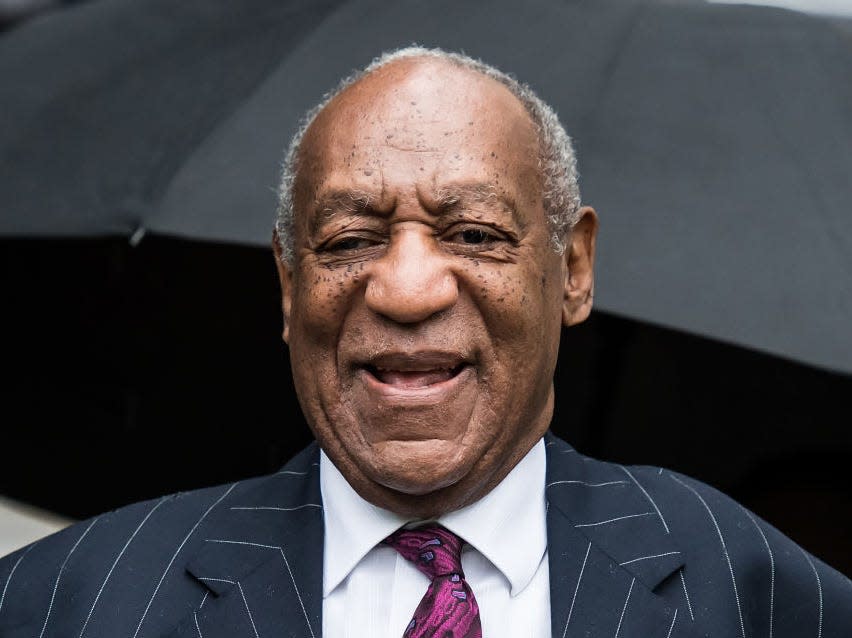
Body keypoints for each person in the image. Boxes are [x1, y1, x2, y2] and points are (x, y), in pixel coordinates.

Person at [1, 46, 849, 638]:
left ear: (574, 269)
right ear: (290, 286)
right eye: (348, 240)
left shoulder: (756, 592)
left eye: (475, 234)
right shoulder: (63, 606)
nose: (406, 291)